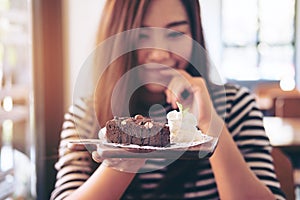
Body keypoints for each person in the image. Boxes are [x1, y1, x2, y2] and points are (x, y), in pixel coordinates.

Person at [51, 0, 286, 199]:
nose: (160, 53)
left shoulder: (236, 105)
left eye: (175, 33)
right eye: (142, 34)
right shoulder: (85, 114)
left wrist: (210, 123)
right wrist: (126, 157)